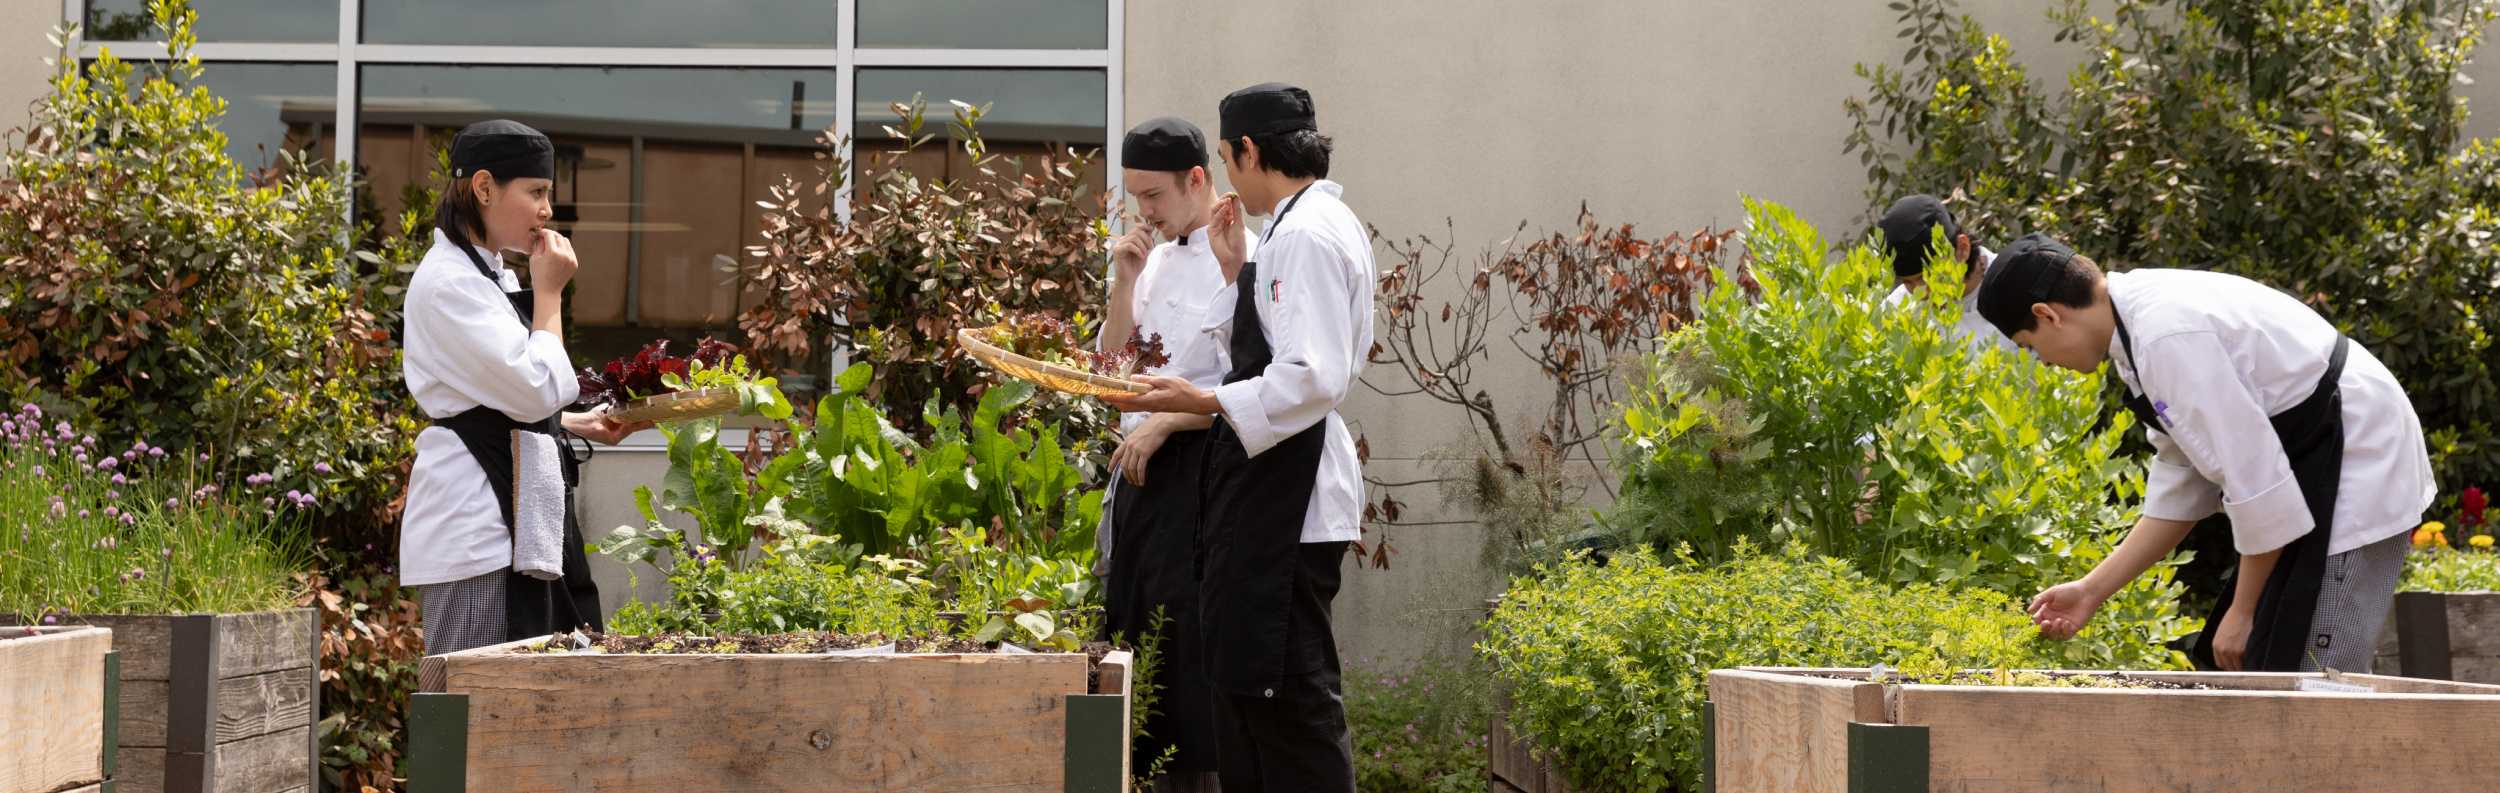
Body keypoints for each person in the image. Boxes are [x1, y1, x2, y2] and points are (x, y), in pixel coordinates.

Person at [1986, 234, 2433, 672]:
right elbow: (2182, 488)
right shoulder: (2135, 335)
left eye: (2029, 345)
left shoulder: (2165, 334)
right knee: (2278, 662)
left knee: (2318, 670)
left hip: (2356, 453)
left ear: (2047, 314)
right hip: (2315, 456)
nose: (2040, 360)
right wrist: (2090, 591)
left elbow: (2254, 480)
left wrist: (2242, 612)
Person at [1104, 82, 1368, 792]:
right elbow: (1262, 343)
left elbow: (1313, 375)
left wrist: (1203, 399)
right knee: (1250, 693)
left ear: (1248, 151)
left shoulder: (1308, 233)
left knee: (1292, 696)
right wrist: (1235, 270)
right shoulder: (1292, 228)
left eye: (1228, 156)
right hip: (1265, 486)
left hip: (1291, 492)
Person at [400, 120, 651, 655]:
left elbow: (499, 399)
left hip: (506, 528)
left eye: (548, 194)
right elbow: (538, 388)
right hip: (478, 536)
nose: (547, 210)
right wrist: (551, 293)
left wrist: (578, 423)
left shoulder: (487, 274)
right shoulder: (451, 284)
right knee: (476, 716)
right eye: (536, 192)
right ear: (484, 188)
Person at [1097, 115, 1245, 792]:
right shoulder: (1152, 258)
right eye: (1135, 198)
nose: (1145, 214)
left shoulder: (1243, 248)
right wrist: (1125, 281)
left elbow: (1246, 379)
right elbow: (1113, 370)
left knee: (1190, 653)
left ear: (1196, 180)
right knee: (1137, 638)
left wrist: (1164, 422)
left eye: (1153, 196)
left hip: (1208, 473)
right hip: (1145, 481)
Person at [1876, 194, 2016, 353]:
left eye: (1927, 276)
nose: (1920, 293)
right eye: (1907, 282)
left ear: (1962, 249)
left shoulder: (2020, 287)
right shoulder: (1895, 313)